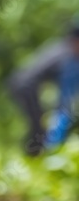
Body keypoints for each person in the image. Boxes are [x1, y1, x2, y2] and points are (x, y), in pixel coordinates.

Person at [9, 22, 79, 154]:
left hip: (19, 83)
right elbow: (66, 95)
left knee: (37, 125)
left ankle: (35, 154)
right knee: (39, 127)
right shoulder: (69, 57)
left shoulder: (59, 47)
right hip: (26, 87)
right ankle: (38, 156)